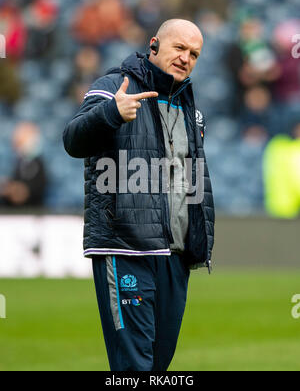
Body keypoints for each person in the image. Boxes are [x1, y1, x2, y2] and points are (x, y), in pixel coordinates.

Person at [63, 19, 215, 371]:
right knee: (134, 366)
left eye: (194, 54)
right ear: (154, 44)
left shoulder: (189, 107)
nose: (186, 58)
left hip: (175, 254)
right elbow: (73, 140)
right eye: (179, 48)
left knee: (157, 366)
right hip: (126, 247)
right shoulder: (116, 86)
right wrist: (111, 113)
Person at [0, 122, 47, 207]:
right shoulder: (18, 161)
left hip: (33, 210)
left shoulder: (37, 163)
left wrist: (17, 190)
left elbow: (34, 190)